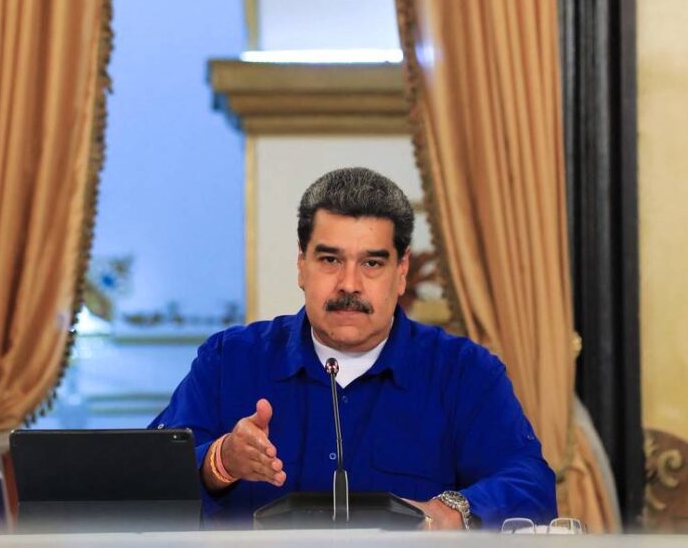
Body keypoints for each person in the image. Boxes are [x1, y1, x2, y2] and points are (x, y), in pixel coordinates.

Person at [151, 167, 556, 529]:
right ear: (301, 266)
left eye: (372, 264)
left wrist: (451, 511)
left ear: (401, 273)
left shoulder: (464, 372)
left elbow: (531, 485)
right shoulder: (229, 361)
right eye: (330, 260)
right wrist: (221, 462)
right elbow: (149, 479)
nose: (349, 284)